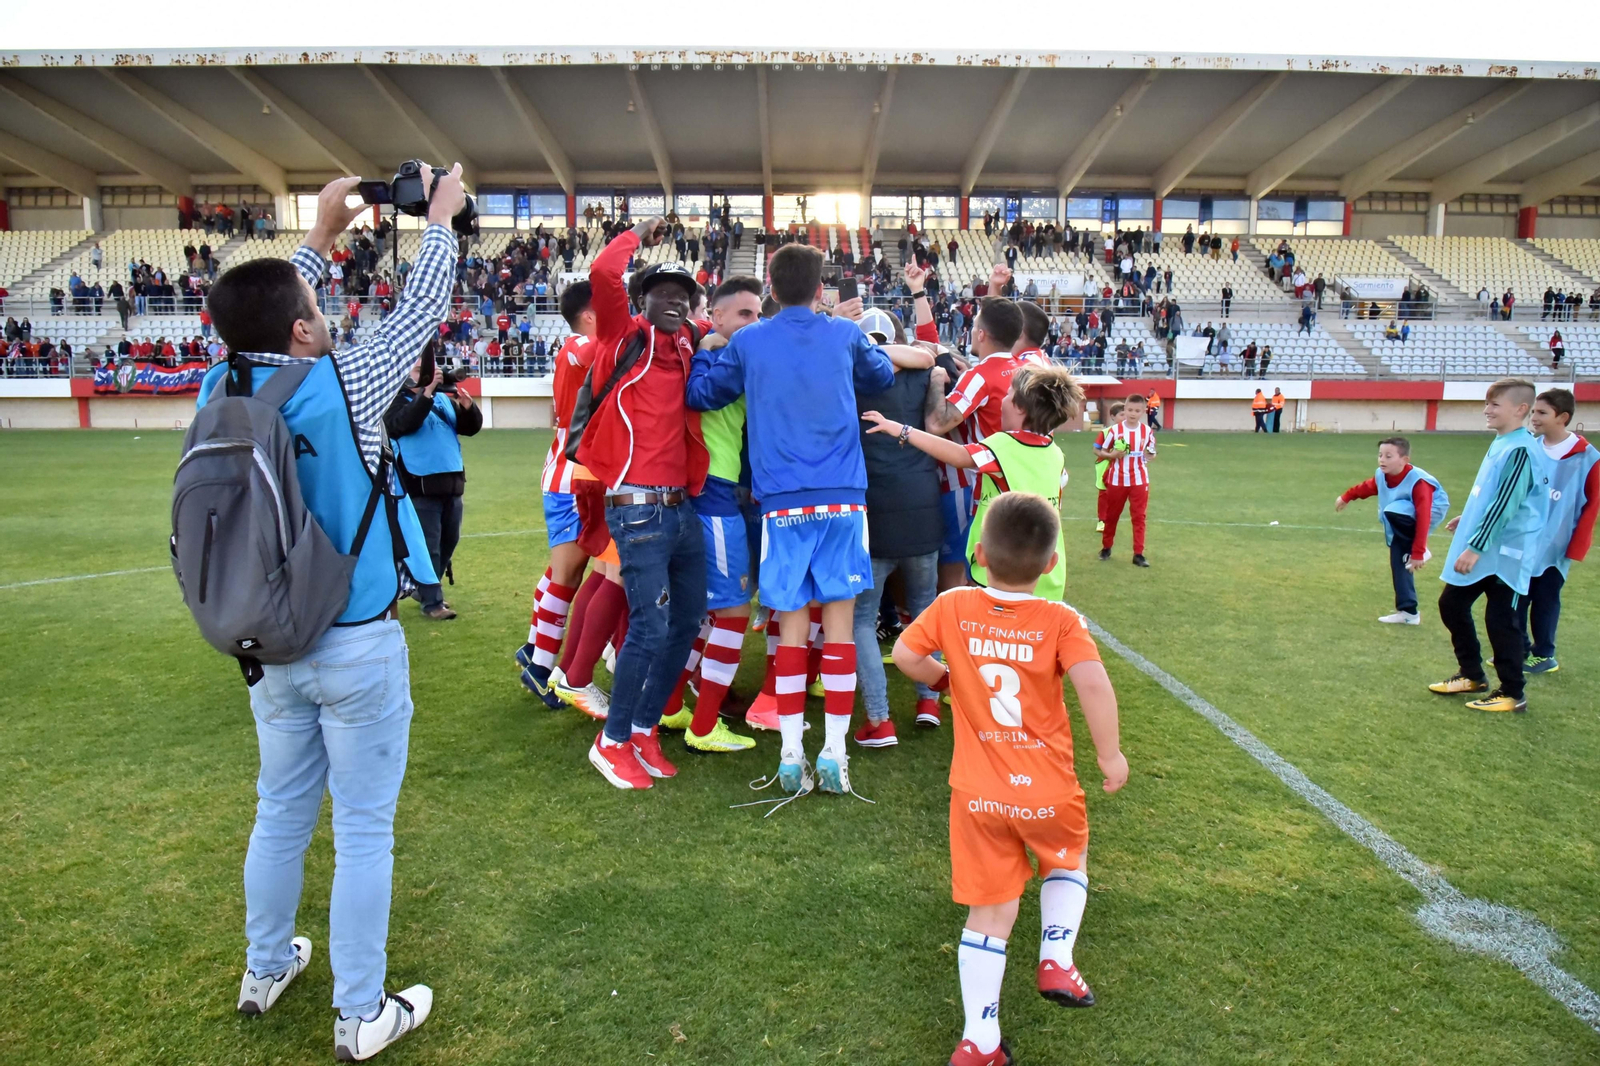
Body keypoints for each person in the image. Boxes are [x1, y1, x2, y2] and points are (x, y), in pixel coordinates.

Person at [203, 168, 465, 1060]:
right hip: (352, 638)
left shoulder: (218, 387)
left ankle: (264, 965)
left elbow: (264, 311)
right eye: (313, 303)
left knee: (278, 810)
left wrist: (316, 234)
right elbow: (424, 306)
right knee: (361, 830)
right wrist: (435, 219)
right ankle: (360, 1013)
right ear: (305, 327)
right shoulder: (345, 380)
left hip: (266, 640)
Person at [891, 491, 1127, 1066]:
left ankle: (980, 1042)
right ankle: (1056, 957)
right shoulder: (1059, 618)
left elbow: (903, 654)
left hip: (976, 796)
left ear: (977, 553)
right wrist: (1110, 755)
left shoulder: (952, 606)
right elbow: (1093, 684)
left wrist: (945, 681)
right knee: (1067, 862)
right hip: (1046, 788)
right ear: (1050, 564)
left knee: (990, 912)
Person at [687, 242, 899, 802]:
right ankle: (834, 751)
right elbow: (879, 374)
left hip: (780, 503)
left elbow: (703, 393)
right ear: (820, 289)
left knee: (790, 623)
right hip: (844, 500)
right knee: (839, 625)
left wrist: (710, 346)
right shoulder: (843, 333)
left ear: (773, 291)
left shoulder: (751, 340)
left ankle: (788, 756)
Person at [574, 216, 708, 791]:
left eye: (683, 297)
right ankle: (612, 740)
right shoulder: (622, 337)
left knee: (685, 621)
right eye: (662, 294)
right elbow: (603, 270)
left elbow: (724, 323)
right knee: (649, 629)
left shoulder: (687, 344)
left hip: (680, 508)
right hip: (637, 508)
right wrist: (638, 238)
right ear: (642, 299)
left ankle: (645, 727)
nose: (674, 303)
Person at [655, 276, 765, 754]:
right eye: (744, 314)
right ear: (716, 316)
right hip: (713, 497)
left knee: (698, 614)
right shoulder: (719, 356)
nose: (754, 324)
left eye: (759, 314)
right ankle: (703, 727)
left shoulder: (710, 346)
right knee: (734, 612)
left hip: (700, 494)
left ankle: (672, 706)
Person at [865, 364, 1083, 603]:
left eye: (1008, 394)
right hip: (1046, 572)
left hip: (1004, 571)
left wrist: (902, 430)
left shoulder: (1004, 445)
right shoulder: (1055, 453)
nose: (1003, 400)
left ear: (1020, 407)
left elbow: (959, 456)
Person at [518, 280, 620, 719]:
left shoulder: (581, 345)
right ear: (590, 314)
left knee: (567, 571)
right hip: (570, 479)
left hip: (574, 475)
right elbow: (591, 355)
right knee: (568, 575)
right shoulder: (579, 344)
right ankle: (542, 667)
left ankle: (534, 650)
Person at [851, 304, 945, 747]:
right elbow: (935, 358)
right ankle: (929, 699)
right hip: (921, 500)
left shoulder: (851, 373)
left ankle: (879, 718)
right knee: (927, 610)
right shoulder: (925, 371)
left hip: (872, 505)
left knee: (862, 620)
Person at [1430, 379, 1553, 714]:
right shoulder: (1503, 442)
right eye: (1487, 404)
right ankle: (1472, 674)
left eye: (1494, 405)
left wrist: (1475, 546)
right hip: (1489, 548)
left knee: (1503, 621)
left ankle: (1513, 693)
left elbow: (1507, 506)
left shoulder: (1520, 450)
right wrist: (1467, 519)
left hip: (1506, 554)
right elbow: (1492, 496)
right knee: (1451, 604)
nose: (1487, 410)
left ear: (1520, 410)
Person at [385, 344, 483, 620]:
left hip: (452, 484)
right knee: (428, 546)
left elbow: (469, 428)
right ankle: (433, 603)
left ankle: (425, 588)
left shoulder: (441, 400)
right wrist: (426, 395)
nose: (430, 375)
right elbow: (403, 424)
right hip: (419, 486)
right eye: (420, 370)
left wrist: (468, 408)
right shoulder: (395, 401)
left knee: (449, 541)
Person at [1516, 389, 1599, 675]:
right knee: (1516, 595)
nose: (1534, 417)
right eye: (1534, 412)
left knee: (1545, 598)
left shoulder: (1588, 457)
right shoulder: (1530, 448)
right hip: (1524, 539)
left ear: (1562, 417)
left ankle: (1544, 653)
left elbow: (1592, 505)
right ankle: (1519, 648)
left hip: (1556, 545)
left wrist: (1576, 546)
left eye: (1542, 412)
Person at [1336, 437, 1449, 625]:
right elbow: (1369, 486)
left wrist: (1419, 550)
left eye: (1389, 456)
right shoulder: (1382, 474)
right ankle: (1409, 612)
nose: (1382, 460)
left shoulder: (1420, 482)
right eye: (1380, 455)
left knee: (1394, 511)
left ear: (1404, 460)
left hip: (1431, 510)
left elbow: (1423, 516)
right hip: (1404, 516)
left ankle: (1417, 548)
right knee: (1400, 560)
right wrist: (1347, 497)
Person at [1095, 394, 1156, 567]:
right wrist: (1112, 455)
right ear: (1125, 409)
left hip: (1139, 480)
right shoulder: (1115, 431)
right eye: (1129, 410)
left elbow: (1151, 452)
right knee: (1112, 516)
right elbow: (1101, 451)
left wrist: (1150, 455)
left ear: (1143, 412)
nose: (1132, 413)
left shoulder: (1147, 431)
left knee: (1139, 517)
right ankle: (1106, 548)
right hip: (1117, 479)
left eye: (1137, 410)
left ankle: (1138, 554)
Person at [1092, 401, 1125, 533]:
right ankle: (1102, 520)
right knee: (1104, 493)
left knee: (1118, 495)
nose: (1125, 417)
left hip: (1124, 467)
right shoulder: (1106, 432)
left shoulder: (1131, 432)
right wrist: (1111, 456)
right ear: (1113, 417)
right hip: (1105, 466)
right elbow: (1096, 450)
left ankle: (1112, 519)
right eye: (1122, 414)